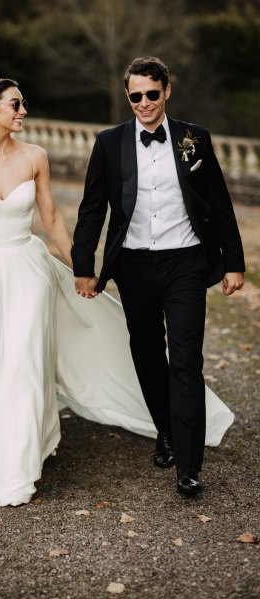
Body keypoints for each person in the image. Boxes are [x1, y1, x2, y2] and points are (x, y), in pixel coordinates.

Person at [0, 75, 236, 506]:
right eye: (15, 104)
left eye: (23, 104)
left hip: (27, 269)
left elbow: (54, 219)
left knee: (23, 357)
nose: (23, 111)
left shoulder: (35, 156)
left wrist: (82, 269)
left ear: (165, 91)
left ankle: (19, 458)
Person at [72, 56, 245, 496]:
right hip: (133, 265)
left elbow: (218, 203)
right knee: (148, 354)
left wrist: (234, 261)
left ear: (166, 91)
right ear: (127, 96)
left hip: (186, 262)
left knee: (186, 359)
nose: (144, 102)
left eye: (152, 93)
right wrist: (84, 267)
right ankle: (165, 430)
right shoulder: (109, 143)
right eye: (135, 96)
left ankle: (188, 465)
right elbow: (92, 209)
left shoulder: (194, 139)